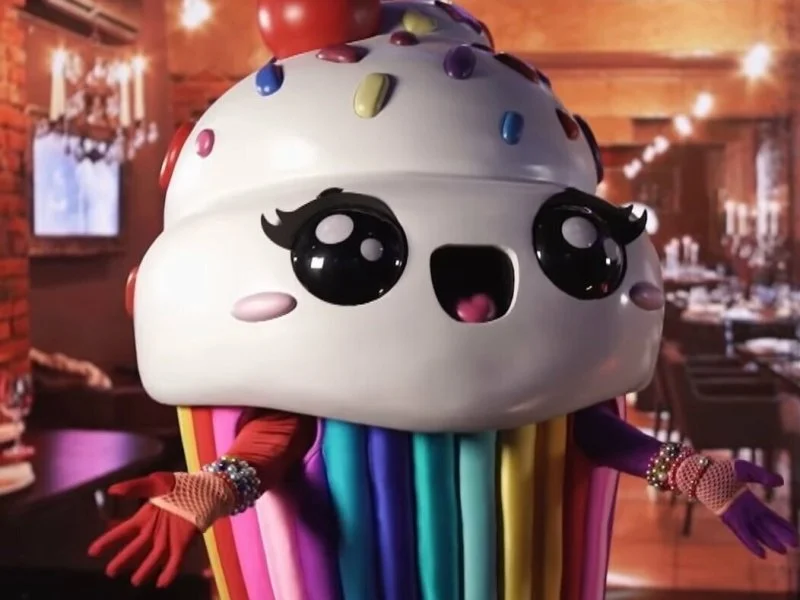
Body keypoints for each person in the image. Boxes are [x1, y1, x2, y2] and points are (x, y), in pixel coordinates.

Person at [89, 1, 798, 599]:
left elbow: (593, 436)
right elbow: (271, 447)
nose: (476, 308)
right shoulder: (305, 383)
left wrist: (698, 473)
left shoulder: (549, 385)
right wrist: (207, 491)